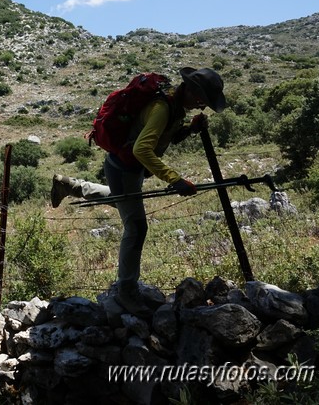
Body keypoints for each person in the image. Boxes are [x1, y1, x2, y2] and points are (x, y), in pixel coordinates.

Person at [51, 67, 227, 316]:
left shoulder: (174, 107)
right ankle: (126, 290)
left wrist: (189, 129)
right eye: (202, 100)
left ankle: (69, 185)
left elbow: (163, 138)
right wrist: (175, 179)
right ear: (191, 90)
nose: (202, 106)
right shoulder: (163, 108)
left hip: (127, 169)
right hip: (124, 168)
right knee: (136, 227)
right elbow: (142, 150)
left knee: (122, 201)